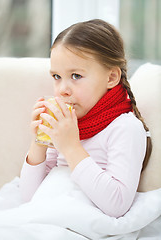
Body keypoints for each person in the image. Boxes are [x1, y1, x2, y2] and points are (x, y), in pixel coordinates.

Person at [20, 19, 152, 218]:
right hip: (49, 215)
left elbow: (117, 205)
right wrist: (38, 143)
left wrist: (71, 147)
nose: (63, 89)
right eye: (56, 76)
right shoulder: (69, 124)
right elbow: (30, 198)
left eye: (75, 76)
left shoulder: (125, 127)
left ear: (111, 78)